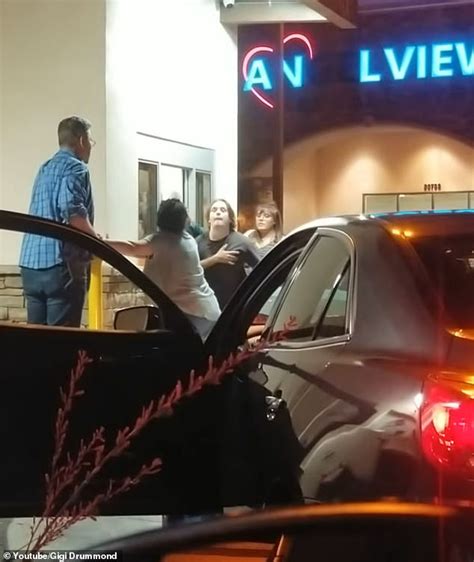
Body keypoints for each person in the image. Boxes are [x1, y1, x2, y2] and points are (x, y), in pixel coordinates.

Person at [19, 116, 98, 327]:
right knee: (60, 343)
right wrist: (96, 240)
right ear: (81, 141)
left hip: (30, 266)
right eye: (91, 140)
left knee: (37, 342)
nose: (91, 146)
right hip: (60, 266)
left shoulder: (44, 168)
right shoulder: (76, 168)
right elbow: (73, 212)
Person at [108, 199, 220, 340]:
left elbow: (132, 248)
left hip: (194, 316)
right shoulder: (187, 240)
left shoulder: (161, 241)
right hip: (205, 312)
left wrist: (99, 242)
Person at [197, 199, 259, 309]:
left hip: (234, 307)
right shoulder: (198, 242)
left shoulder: (242, 242)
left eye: (223, 210)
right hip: (205, 306)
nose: (218, 212)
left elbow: (261, 267)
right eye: (214, 210)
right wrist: (215, 259)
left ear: (230, 219)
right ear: (209, 220)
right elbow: (190, 271)